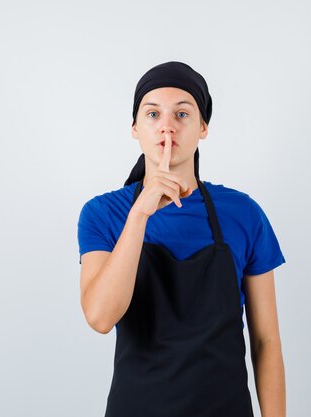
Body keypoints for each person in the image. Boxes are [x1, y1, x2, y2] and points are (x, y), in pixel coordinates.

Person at [77, 61, 286, 417]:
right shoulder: (103, 214)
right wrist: (140, 213)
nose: (167, 127)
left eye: (183, 114)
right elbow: (99, 317)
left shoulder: (244, 213)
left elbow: (266, 341)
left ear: (203, 128)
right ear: (134, 128)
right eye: (153, 114)